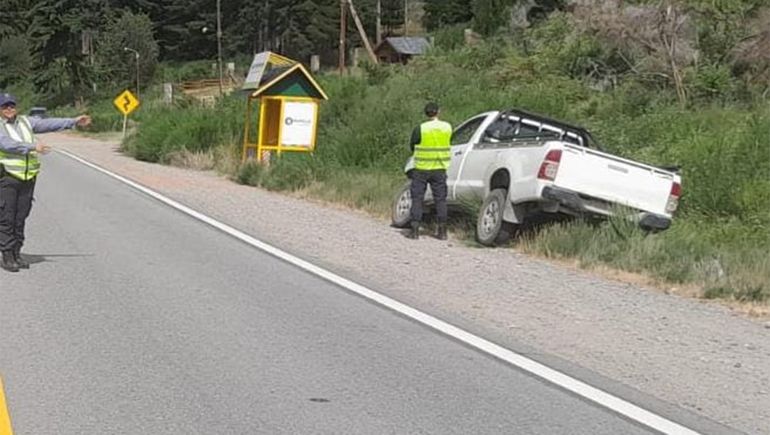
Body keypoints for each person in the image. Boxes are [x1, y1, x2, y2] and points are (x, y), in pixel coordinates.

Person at [0, 93, 91, 272]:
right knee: (6, 218)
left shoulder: (26, 122)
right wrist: (33, 147)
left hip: (27, 178)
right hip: (7, 178)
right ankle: (7, 255)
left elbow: (48, 123)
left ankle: (17, 252)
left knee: (21, 218)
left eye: (11, 105)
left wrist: (73, 121)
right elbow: (6, 144)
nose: (9, 109)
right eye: (5, 106)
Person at [407, 102, 452, 240]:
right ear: (438, 111)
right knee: (440, 200)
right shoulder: (447, 127)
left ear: (426, 113)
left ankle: (414, 230)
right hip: (439, 167)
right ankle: (442, 231)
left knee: (417, 198)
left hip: (421, 168)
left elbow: (413, 145)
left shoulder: (420, 128)